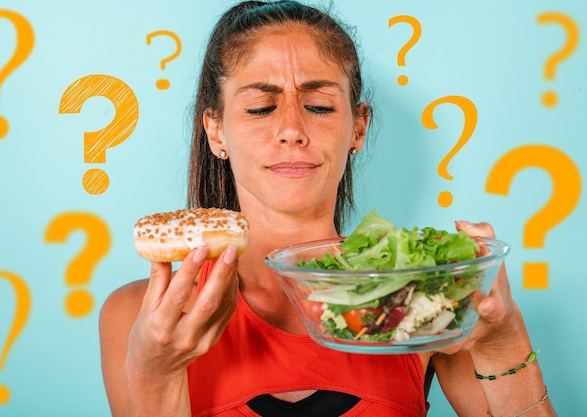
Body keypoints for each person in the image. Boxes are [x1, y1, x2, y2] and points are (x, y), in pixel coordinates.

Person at [99, 1, 557, 416]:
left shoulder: (418, 295)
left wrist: (503, 342)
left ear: (358, 128)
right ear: (215, 131)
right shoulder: (141, 316)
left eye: (318, 106)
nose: (292, 129)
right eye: (261, 107)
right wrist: (154, 374)